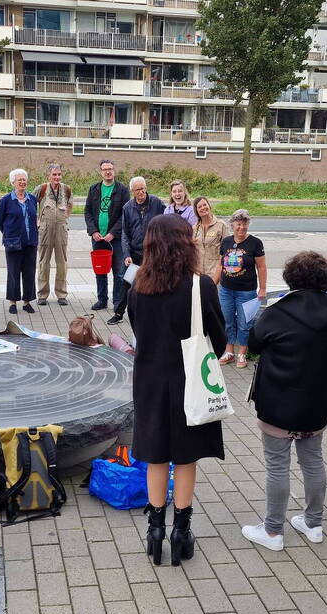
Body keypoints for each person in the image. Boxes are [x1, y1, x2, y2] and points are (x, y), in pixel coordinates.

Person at [127, 214, 226, 566]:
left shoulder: (138, 284)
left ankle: (154, 530)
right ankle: (181, 531)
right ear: (186, 244)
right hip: (191, 381)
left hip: (150, 380)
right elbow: (219, 336)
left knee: (156, 454)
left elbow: (138, 328)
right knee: (185, 457)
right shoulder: (202, 286)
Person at [241, 252, 327, 550]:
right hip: (316, 400)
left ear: (290, 278)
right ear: (325, 279)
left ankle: (273, 531)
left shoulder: (276, 312)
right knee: (312, 461)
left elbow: (253, 345)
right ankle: (313, 523)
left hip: (277, 399)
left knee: (277, 465)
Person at [215, 209, 266, 369]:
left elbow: (262, 267)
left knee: (245, 323)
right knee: (227, 320)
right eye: (238, 223)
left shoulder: (255, 243)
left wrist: (262, 289)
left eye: (244, 223)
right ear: (232, 225)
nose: (241, 227)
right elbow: (219, 264)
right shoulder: (226, 242)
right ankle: (229, 351)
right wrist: (213, 283)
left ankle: (242, 353)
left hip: (247, 291)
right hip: (226, 290)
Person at [112, 176, 165, 325]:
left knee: (154, 283)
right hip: (134, 252)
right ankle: (118, 313)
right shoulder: (127, 207)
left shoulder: (157, 203)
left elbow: (166, 223)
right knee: (126, 282)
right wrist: (127, 254)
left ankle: (155, 313)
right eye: (138, 189)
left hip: (153, 252)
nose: (141, 192)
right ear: (132, 191)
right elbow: (125, 234)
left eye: (143, 188)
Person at [83, 159, 129, 311]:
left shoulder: (122, 190)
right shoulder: (94, 189)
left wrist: (113, 233)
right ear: (100, 172)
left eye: (110, 169)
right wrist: (94, 231)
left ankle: (117, 302)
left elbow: (124, 214)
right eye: (105, 169)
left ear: (114, 170)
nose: (108, 172)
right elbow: (88, 211)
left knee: (119, 272)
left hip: (115, 239)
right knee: (100, 270)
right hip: (98, 238)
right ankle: (102, 300)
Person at [0, 168, 39, 314]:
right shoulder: (6, 200)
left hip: (30, 241)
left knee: (29, 272)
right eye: (19, 180)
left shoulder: (32, 199)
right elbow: (0, 221)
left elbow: (34, 218)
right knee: (13, 272)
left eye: (24, 179)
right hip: (13, 242)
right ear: (13, 182)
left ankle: (27, 301)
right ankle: (12, 302)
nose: (22, 182)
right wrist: (10, 233)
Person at [34, 164, 72, 306]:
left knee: (62, 263)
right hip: (45, 230)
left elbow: (70, 205)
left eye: (59, 174)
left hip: (61, 229)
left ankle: (61, 294)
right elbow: (31, 204)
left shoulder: (66, 189)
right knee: (44, 262)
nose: (57, 177)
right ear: (48, 176)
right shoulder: (41, 189)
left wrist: (66, 219)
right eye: (54, 174)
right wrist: (37, 220)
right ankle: (42, 294)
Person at [191, 196, 227, 283]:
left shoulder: (221, 225)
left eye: (205, 205)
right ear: (196, 211)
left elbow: (226, 252)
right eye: (199, 207)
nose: (203, 208)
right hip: (198, 274)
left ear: (209, 206)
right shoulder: (194, 228)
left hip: (215, 274)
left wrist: (216, 278)